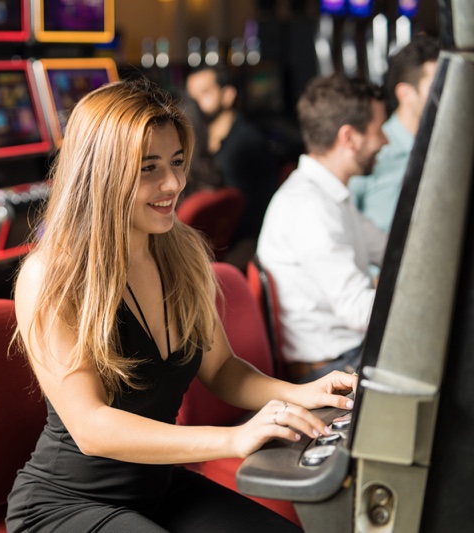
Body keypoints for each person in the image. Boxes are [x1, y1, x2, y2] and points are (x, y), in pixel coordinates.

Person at [5, 78, 357, 532]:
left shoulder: (181, 252)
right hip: (66, 504)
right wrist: (233, 439)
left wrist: (299, 393)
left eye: (176, 162)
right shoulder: (51, 275)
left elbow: (223, 370)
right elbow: (90, 428)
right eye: (148, 167)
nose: (173, 183)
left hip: (158, 486)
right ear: (100, 172)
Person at [256, 74, 389, 384]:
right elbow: (359, 310)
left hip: (349, 353)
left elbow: (392, 250)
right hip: (331, 369)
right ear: (349, 137)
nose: (386, 140)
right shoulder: (310, 207)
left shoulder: (329, 196)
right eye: (379, 129)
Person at [185, 64, 279, 262]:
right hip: (213, 247)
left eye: (204, 93)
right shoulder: (201, 141)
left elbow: (245, 213)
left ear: (228, 95)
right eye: (191, 96)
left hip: (243, 246)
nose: (195, 102)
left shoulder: (244, 142)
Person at [348, 35, 440, 232]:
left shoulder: (453, 148)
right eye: (438, 88)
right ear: (406, 94)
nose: (448, 96)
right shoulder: (370, 151)